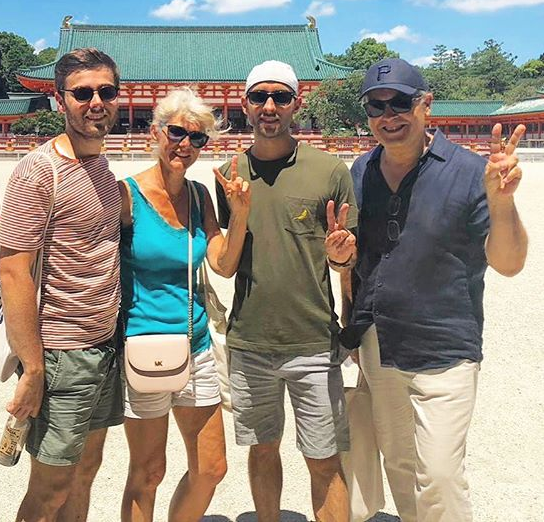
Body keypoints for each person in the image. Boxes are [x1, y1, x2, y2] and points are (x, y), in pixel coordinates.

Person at [342, 58, 528, 522]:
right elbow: (358, 260)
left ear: (426, 105)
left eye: (400, 103)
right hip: (379, 342)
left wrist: (502, 203)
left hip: (445, 345)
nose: (389, 115)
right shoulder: (361, 171)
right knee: (400, 463)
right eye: (376, 106)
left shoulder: (469, 171)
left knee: (440, 475)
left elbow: (509, 263)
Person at [215, 61, 357, 522]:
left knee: (324, 459)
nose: (270, 106)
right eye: (260, 96)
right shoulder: (230, 172)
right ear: (245, 104)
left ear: (297, 103)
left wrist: (341, 258)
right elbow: (227, 259)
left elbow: (346, 259)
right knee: (261, 451)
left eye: (280, 96)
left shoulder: (329, 170)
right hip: (250, 339)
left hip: (312, 340)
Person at [0, 47, 124, 522]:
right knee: (50, 488)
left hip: (104, 346)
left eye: (106, 91)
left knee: (86, 472)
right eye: (83, 93)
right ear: (59, 100)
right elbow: (13, 270)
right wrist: (32, 368)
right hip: (60, 355)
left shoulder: (103, 169)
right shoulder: (40, 170)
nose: (96, 103)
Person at [119, 87, 250, 522]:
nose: (185, 145)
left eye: (197, 138)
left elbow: (223, 264)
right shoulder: (126, 196)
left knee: (211, 467)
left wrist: (240, 214)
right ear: (155, 133)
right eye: (176, 133)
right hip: (142, 346)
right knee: (148, 471)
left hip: (195, 345)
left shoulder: (198, 197)